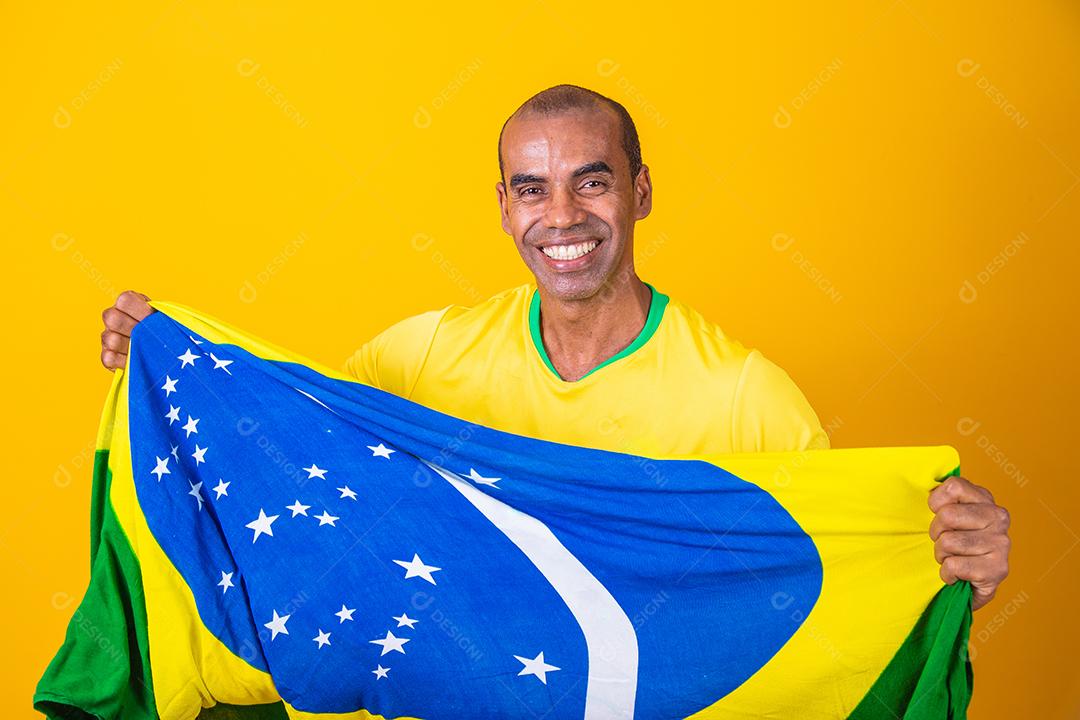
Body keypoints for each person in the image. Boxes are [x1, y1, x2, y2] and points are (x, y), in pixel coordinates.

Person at [99, 84, 1010, 610]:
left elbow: (828, 585)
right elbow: (288, 446)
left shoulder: (743, 396)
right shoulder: (423, 358)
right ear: (503, 208)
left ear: (642, 193)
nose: (563, 217)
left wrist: (950, 566)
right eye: (532, 189)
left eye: (594, 182)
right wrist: (170, 361)